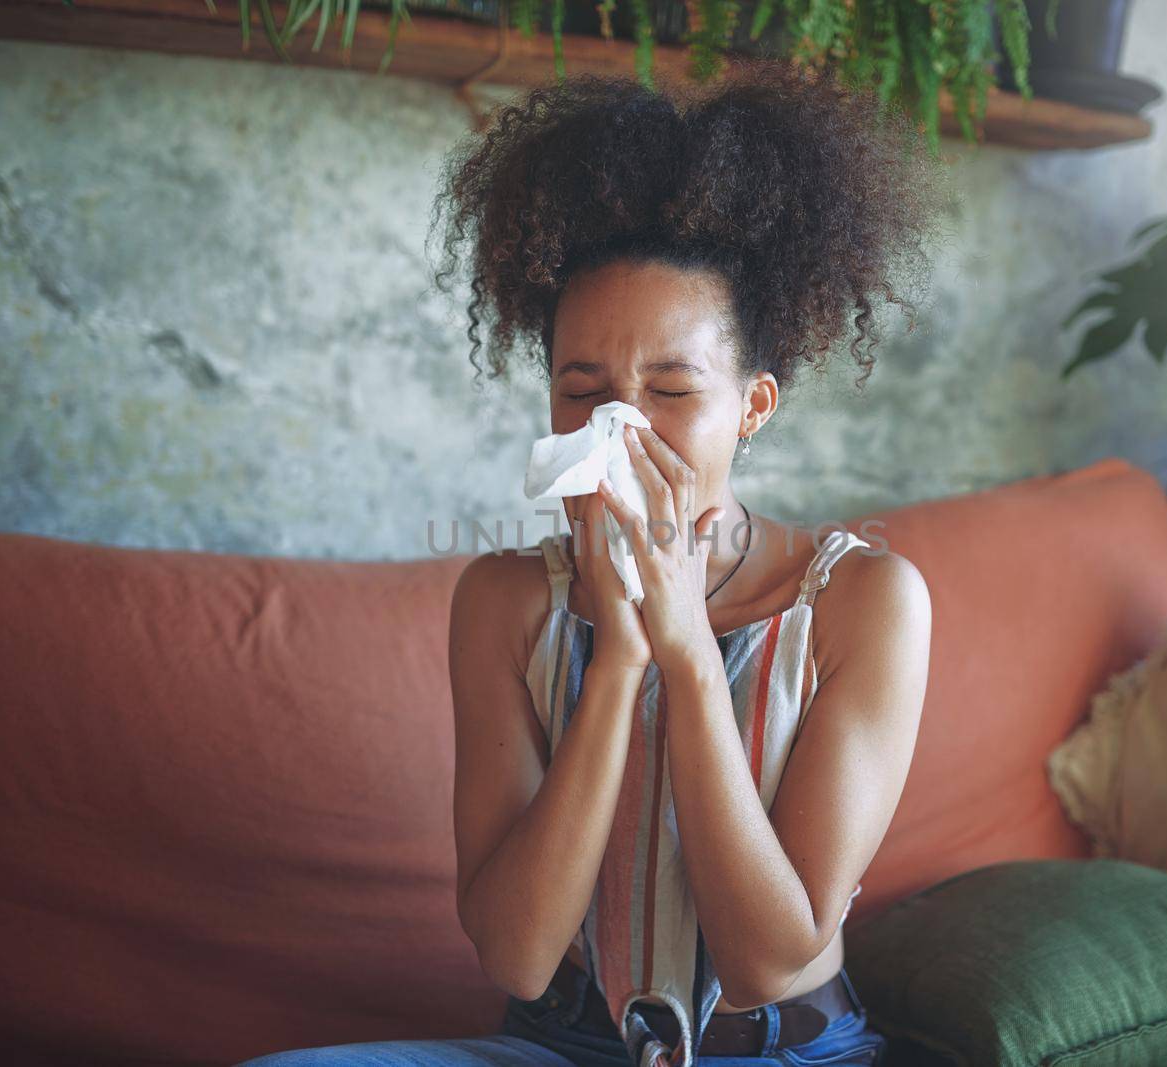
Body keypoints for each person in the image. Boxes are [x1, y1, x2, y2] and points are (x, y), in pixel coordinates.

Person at [240, 56, 940, 1067]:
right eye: (582, 391)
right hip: (557, 1045)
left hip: (783, 1049)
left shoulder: (862, 600)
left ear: (753, 405)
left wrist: (686, 647)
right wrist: (615, 655)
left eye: (669, 388)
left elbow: (767, 960)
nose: (619, 427)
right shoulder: (504, 600)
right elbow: (518, 955)